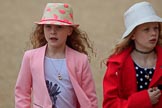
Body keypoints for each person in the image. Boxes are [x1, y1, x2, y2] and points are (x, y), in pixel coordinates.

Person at [15, 3, 98, 108]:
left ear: (69, 30)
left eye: (59, 27)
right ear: (43, 29)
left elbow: (90, 97)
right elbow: (22, 92)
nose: (53, 32)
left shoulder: (81, 60)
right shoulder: (30, 57)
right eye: (48, 26)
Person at [103, 1, 162, 108]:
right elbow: (110, 104)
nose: (153, 33)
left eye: (156, 28)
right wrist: (143, 100)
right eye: (146, 29)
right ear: (133, 35)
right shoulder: (116, 65)